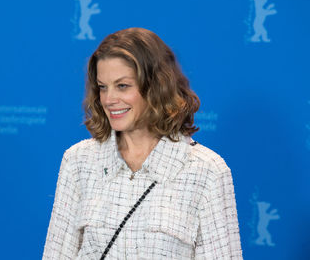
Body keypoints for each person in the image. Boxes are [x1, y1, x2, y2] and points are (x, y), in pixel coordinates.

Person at [42, 27, 243, 259]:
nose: (109, 100)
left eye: (123, 86)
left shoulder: (207, 171)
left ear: (157, 87)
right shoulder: (78, 161)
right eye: (102, 87)